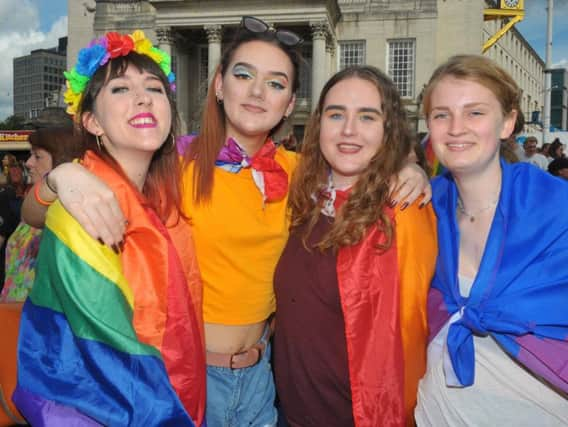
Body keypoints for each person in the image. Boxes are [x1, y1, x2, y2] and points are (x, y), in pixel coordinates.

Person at [22, 18, 431, 427]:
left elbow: (360, 170)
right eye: (243, 74)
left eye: (276, 83)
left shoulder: (301, 173)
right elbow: (35, 217)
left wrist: (408, 171)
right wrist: (62, 178)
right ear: (219, 85)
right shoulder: (170, 164)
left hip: (264, 379)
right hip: (190, 375)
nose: (257, 92)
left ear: (290, 104)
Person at [13, 30, 206, 426]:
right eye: (120, 88)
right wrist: (59, 176)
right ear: (91, 122)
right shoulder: (86, 209)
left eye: (154, 87)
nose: (143, 97)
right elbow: (114, 363)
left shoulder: (163, 194)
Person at [273, 65, 437, 427]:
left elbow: (408, 336)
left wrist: (413, 171)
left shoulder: (403, 209)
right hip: (288, 412)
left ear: (387, 130)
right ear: (319, 126)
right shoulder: (302, 195)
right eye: (336, 115)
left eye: (367, 116)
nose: (348, 130)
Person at [414, 55, 568, 426]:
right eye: (441, 115)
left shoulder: (557, 210)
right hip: (436, 413)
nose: (456, 128)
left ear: (508, 123)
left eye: (475, 113)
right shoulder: (421, 208)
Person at [1, 127, 82, 302]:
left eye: (37, 156)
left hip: (41, 323)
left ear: (63, 160)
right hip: (12, 319)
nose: (28, 163)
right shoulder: (34, 206)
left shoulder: (73, 212)